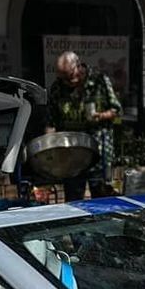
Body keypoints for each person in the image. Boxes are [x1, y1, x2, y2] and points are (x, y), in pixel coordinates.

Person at [46, 50, 121, 201]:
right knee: (73, 201)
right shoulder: (57, 88)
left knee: (102, 199)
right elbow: (51, 121)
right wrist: (50, 148)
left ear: (78, 66)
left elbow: (117, 111)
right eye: (64, 79)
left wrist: (100, 116)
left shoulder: (99, 81)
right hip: (71, 156)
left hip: (98, 153)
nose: (68, 82)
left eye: (70, 77)